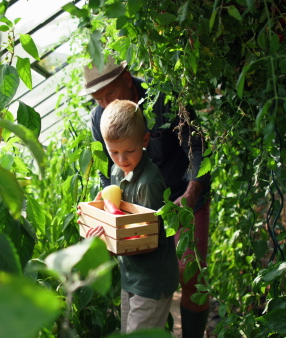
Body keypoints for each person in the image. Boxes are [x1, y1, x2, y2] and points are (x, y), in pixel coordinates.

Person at [82, 55, 211, 338]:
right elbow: (107, 174)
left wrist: (190, 193)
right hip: (138, 207)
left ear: (127, 80)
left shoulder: (163, 100)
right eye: (97, 99)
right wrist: (107, 213)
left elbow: (198, 148)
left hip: (183, 195)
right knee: (152, 271)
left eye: (110, 93)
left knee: (190, 274)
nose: (104, 104)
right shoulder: (99, 118)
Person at [85, 99, 179, 333]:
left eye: (129, 151)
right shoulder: (117, 171)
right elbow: (117, 211)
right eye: (113, 152)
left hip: (151, 280)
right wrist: (102, 219)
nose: (122, 159)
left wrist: (109, 235)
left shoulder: (148, 183)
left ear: (145, 140)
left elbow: (150, 239)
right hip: (132, 276)